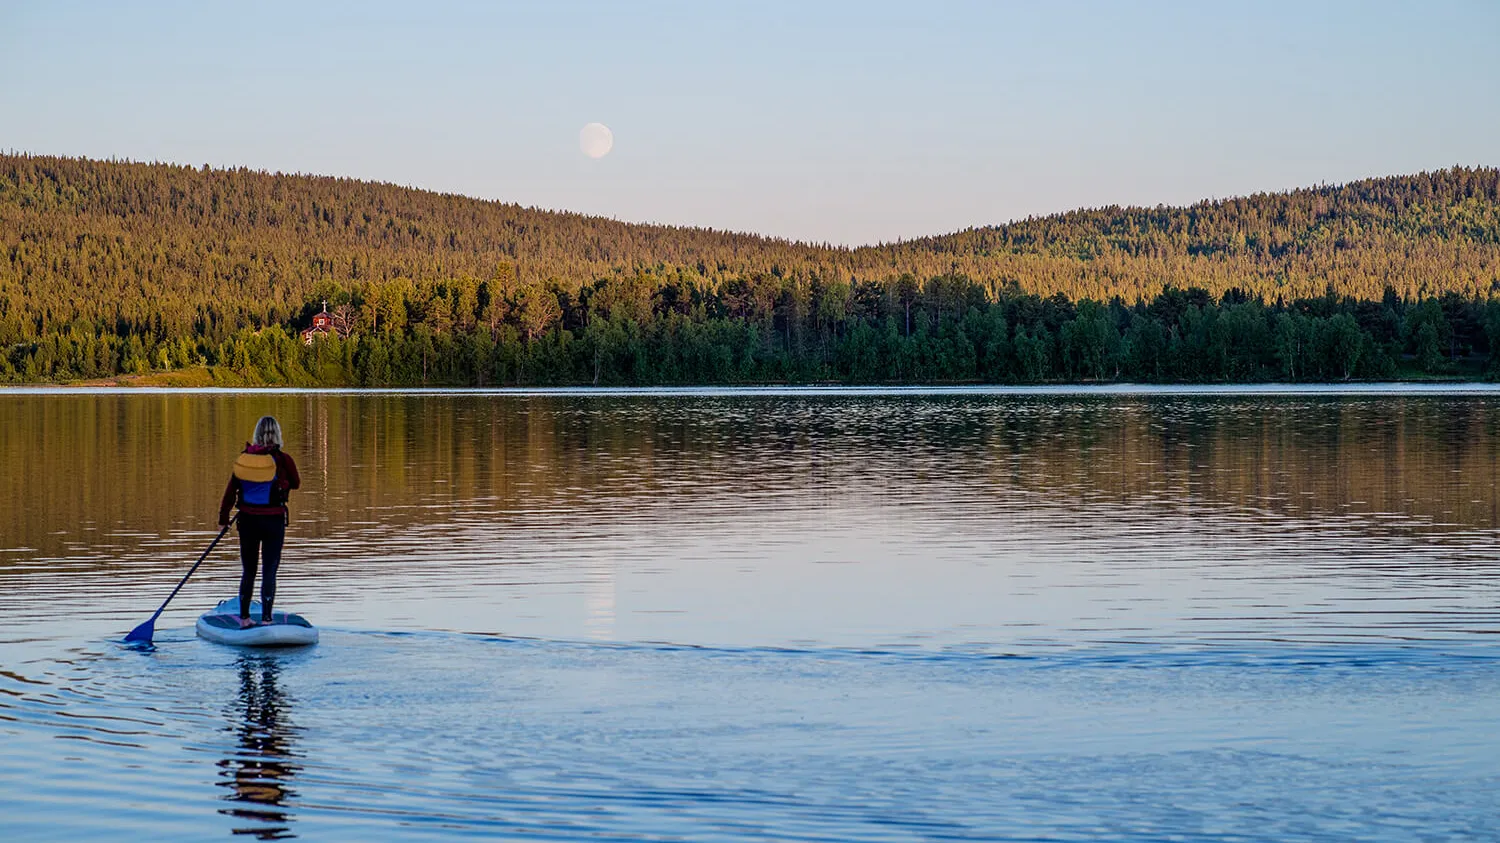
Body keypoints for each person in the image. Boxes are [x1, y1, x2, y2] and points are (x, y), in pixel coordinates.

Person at [219, 416, 301, 628]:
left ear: (256, 434)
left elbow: (230, 492)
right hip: (273, 521)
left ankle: (245, 618)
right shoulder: (284, 460)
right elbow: (297, 483)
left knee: (249, 570)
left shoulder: (245, 459)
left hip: (247, 521)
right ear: (278, 434)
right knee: (269, 571)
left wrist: (223, 520)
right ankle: (266, 619)